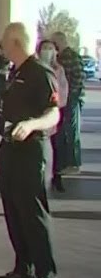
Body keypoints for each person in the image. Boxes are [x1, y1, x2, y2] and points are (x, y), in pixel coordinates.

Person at [0, 23, 60, 278]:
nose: (1, 47)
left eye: (3, 43)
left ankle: (45, 269)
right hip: (10, 148)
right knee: (14, 210)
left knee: (32, 210)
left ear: (16, 44)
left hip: (32, 150)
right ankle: (24, 267)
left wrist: (32, 124)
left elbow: (54, 113)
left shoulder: (40, 74)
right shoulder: (15, 72)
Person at [50, 31, 84, 174]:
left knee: (71, 130)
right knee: (63, 130)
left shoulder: (71, 56)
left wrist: (72, 94)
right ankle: (65, 163)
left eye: (55, 42)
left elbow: (79, 77)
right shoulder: (60, 57)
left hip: (71, 98)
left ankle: (73, 164)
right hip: (63, 98)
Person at [38, 39, 70, 192]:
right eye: (45, 48)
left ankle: (56, 175)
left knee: (56, 144)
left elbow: (63, 90)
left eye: (50, 48)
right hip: (37, 113)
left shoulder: (59, 70)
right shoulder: (35, 67)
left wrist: (56, 104)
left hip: (55, 111)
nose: (47, 51)